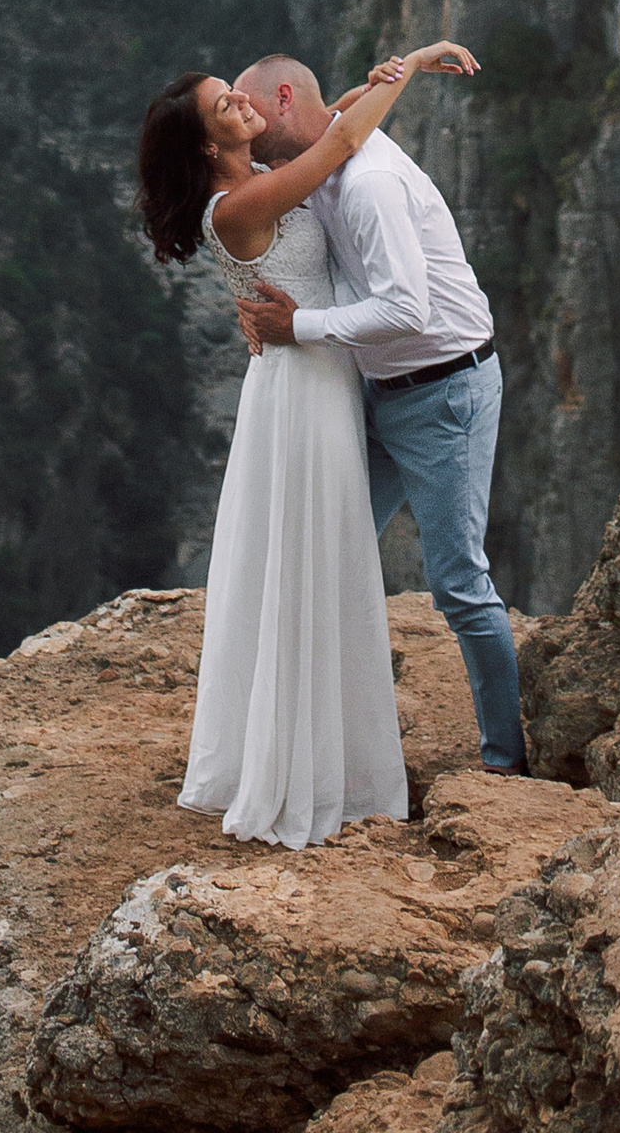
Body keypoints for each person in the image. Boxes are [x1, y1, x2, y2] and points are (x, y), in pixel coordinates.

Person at [134, 38, 478, 847]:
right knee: (315, 559)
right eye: (226, 105)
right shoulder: (241, 204)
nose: (243, 101)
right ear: (208, 145)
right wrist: (410, 67)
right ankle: (309, 770)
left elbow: (333, 118)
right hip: (304, 392)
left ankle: (312, 752)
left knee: (311, 557)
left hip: (313, 377)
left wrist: (380, 76)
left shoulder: (253, 180)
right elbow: (343, 140)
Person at [233, 49, 527, 781]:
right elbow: (333, 114)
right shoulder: (325, 152)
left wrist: (297, 327)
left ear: (281, 99)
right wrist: (408, 64)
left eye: (248, 111)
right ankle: (325, 740)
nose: (244, 130)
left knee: (459, 584)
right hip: (380, 391)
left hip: (445, 394)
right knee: (330, 548)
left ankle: (507, 765)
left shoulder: (368, 184)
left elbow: (406, 310)